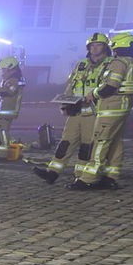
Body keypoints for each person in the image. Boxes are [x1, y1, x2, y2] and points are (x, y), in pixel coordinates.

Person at [35, 34, 111, 183]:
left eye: (98, 45)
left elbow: (108, 88)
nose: (94, 48)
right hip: (75, 113)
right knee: (65, 143)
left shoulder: (110, 64)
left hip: (94, 113)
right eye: (92, 45)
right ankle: (52, 172)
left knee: (87, 146)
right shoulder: (81, 64)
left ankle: (81, 176)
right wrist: (64, 104)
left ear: (105, 47)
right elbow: (71, 86)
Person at [72, 32, 133, 190]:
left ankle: (89, 178)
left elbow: (111, 85)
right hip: (123, 107)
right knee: (115, 142)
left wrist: (93, 94)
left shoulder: (119, 62)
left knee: (101, 141)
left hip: (110, 107)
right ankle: (111, 176)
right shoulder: (131, 62)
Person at [0, 56, 24, 150]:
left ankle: (3, 154)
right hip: (2, 111)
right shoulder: (9, 79)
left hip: (6, 110)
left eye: (3, 69)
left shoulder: (14, 80)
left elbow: (9, 91)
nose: (2, 71)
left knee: (2, 132)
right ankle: (1, 152)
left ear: (10, 68)